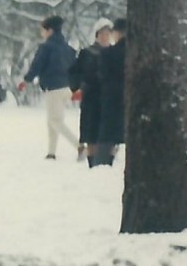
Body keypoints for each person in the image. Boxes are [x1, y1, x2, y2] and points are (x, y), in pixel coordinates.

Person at [19, 15, 76, 159]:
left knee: (55, 121)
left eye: (43, 30)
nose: (42, 33)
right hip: (67, 87)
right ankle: (51, 152)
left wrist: (26, 80)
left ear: (49, 30)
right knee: (52, 120)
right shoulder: (68, 48)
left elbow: (37, 65)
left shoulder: (46, 47)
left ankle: (79, 146)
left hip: (53, 87)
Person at [70, 19, 113, 162]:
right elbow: (75, 72)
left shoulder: (115, 53)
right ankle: (91, 159)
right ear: (97, 35)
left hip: (109, 99)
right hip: (91, 99)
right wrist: (78, 87)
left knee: (109, 134)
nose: (105, 37)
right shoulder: (86, 53)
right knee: (91, 133)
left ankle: (108, 158)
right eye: (102, 33)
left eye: (107, 34)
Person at [89, 19, 127, 168]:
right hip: (132, 98)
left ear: (116, 33)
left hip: (111, 98)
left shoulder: (107, 53)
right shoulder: (138, 52)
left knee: (107, 134)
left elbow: (102, 75)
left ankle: (103, 162)